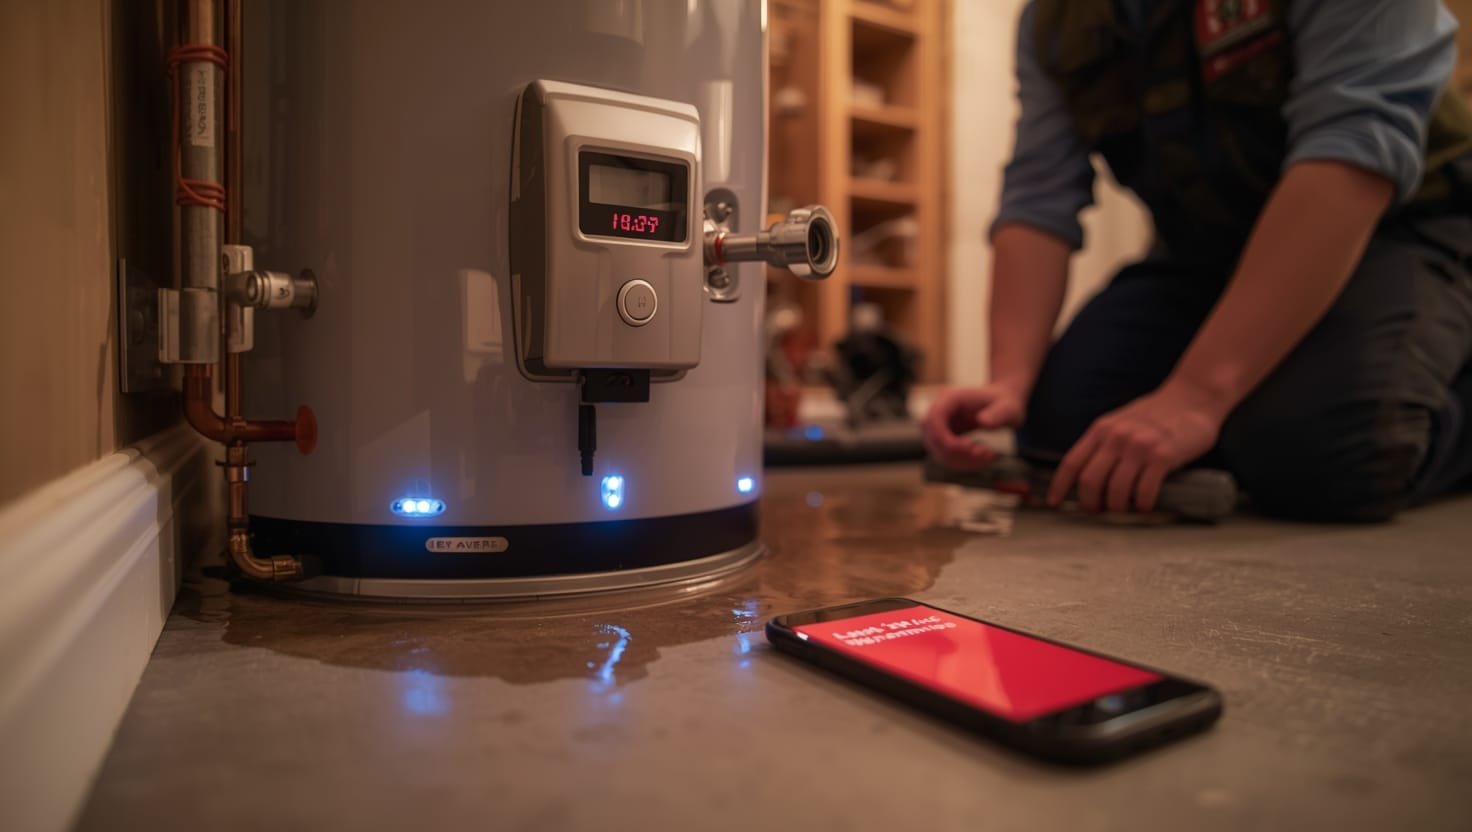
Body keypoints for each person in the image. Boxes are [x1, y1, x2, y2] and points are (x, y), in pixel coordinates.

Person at [924, 0, 1472, 522]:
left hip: (1408, 225)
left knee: (1332, 452)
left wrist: (1196, 396)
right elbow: (1038, 195)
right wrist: (1010, 383)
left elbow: (1351, 150)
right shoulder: (1055, 19)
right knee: (1060, 434)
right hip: (1209, 250)